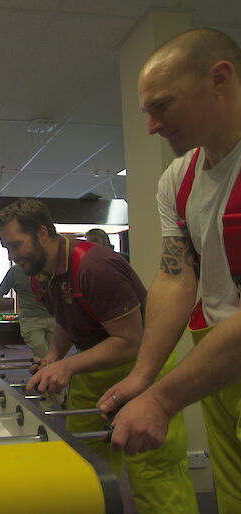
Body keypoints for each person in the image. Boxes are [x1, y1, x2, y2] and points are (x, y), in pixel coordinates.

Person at [96, 28, 241, 512]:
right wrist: (144, 375)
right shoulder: (178, 180)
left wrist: (161, 400)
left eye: (163, 105)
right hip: (219, 360)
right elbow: (176, 277)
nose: (152, 126)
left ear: (220, 79)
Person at [0, 198, 198, 514]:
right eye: (6, 247)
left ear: (43, 233)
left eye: (16, 245)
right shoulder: (39, 275)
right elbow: (66, 317)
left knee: (152, 472)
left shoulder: (95, 267)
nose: (12, 255)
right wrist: (52, 357)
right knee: (87, 465)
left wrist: (68, 365)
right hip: (94, 370)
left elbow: (130, 341)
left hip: (143, 368)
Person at [0, 265, 54, 357]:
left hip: (53, 319)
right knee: (44, 355)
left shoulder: (49, 266)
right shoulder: (15, 271)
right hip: (31, 320)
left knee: (53, 357)